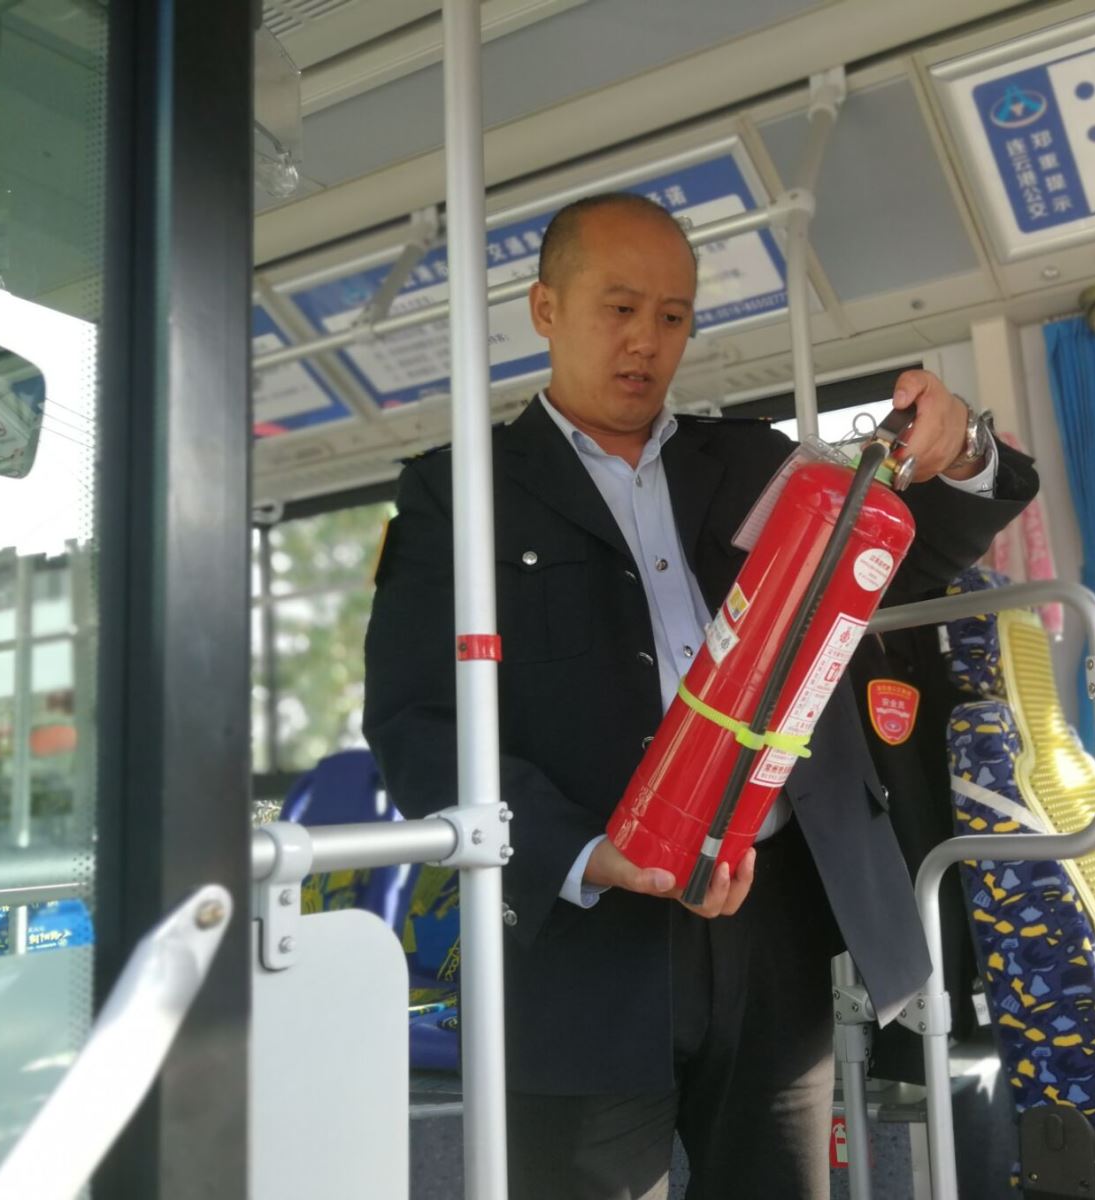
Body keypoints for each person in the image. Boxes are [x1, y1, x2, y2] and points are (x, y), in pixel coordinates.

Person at [364, 192, 1038, 1200]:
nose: (646, 340)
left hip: (772, 910)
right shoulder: (459, 493)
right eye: (618, 308)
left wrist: (963, 448)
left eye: (672, 316)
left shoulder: (759, 464)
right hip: (580, 933)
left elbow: (913, 558)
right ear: (546, 309)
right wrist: (576, 852)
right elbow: (414, 722)